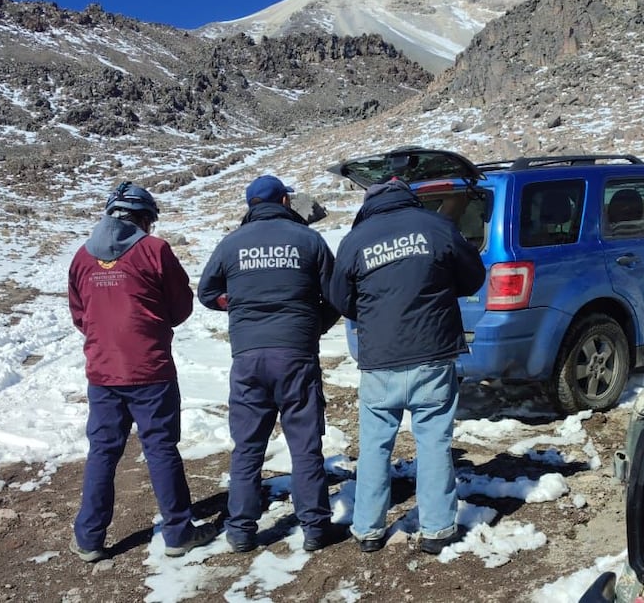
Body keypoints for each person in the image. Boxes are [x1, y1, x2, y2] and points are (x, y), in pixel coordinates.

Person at [330, 178, 485, 555]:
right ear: (410, 198)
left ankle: (367, 529)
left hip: (380, 359)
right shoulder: (436, 227)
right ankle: (436, 529)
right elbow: (473, 276)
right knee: (433, 441)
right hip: (432, 354)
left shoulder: (356, 239)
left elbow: (339, 298)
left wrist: (372, 311)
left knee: (375, 445)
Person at [68, 181, 217, 562]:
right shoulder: (154, 250)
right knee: (161, 448)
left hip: (103, 372)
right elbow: (181, 305)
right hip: (150, 368)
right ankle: (179, 532)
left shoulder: (83, 257)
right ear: (144, 219)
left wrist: (104, 336)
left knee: (102, 451)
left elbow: (80, 314)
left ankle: (89, 538)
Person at [197, 174, 341, 553]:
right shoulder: (309, 240)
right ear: (283, 201)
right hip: (295, 354)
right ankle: (314, 528)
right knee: (305, 444)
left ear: (251, 206)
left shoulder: (231, 244)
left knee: (247, 446)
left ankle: (241, 530)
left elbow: (207, 292)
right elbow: (337, 295)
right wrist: (313, 328)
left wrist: (238, 306)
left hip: (247, 358)